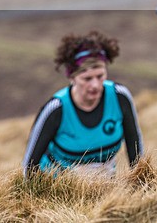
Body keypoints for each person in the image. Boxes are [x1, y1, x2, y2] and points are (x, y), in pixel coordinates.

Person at [22, 31, 143, 177]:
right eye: (87, 79)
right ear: (72, 77)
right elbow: (28, 166)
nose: (95, 85)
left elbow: (135, 150)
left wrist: (141, 186)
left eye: (100, 76)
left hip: (106, 187)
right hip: (57, 189)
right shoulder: (56, 109)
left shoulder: (120, 96)